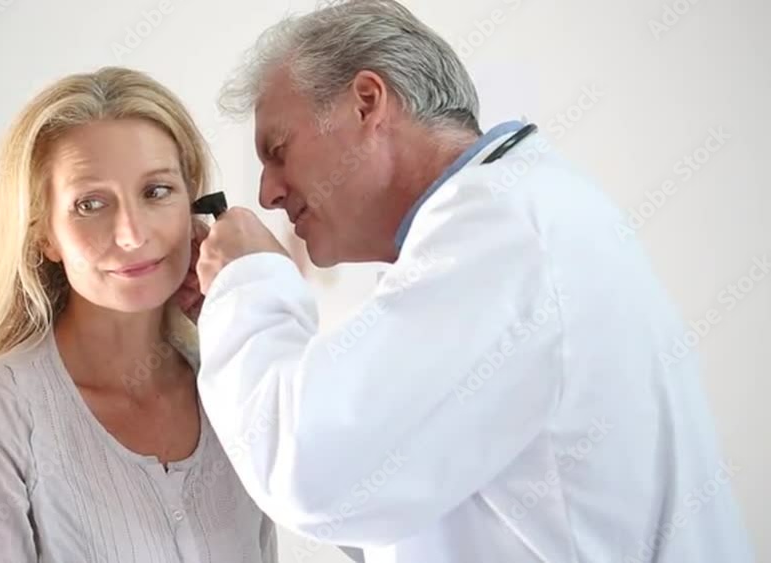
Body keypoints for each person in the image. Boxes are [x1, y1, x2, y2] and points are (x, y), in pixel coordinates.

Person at [188, 1, 753, 562]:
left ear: (367, 102)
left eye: (278, 151)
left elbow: (314, 475)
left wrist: (247, 285)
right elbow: (395, 496)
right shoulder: (515, 214)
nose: (267, 194)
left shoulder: (504, 231)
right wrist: (224, 324)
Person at [0, 66, 276, 563]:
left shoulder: (241, 385)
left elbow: (373, 524)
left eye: (157, 192)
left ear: (191, 205)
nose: (131, 234)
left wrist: (258, 322)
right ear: (44, 235)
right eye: (90, 204)